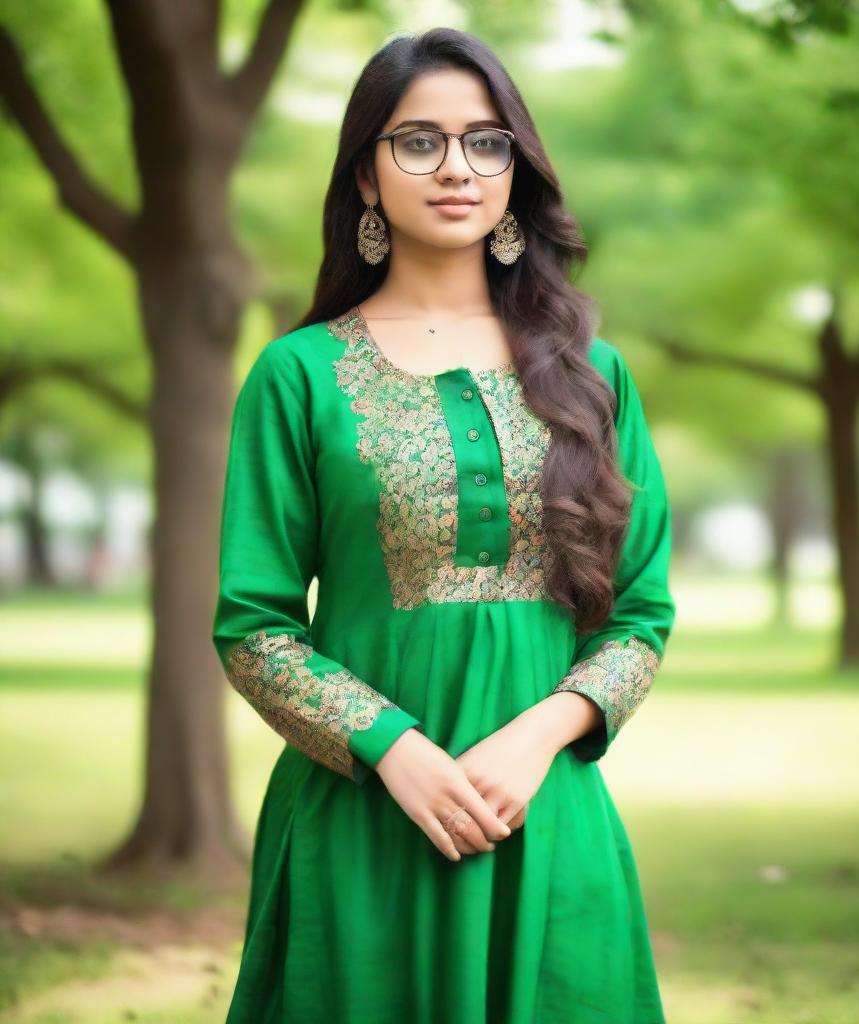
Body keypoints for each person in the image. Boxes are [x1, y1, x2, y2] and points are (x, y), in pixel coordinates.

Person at [211, 25, 676, 1024]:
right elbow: (253, 625)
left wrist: (537, 739)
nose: (457, 166)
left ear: (516, 170)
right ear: (367, 179)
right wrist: (394, 749)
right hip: (362, 824)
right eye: (417, 141)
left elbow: (638, 616)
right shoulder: (298, 376)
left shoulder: (593, 376)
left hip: (545, 823)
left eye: (486, 141)